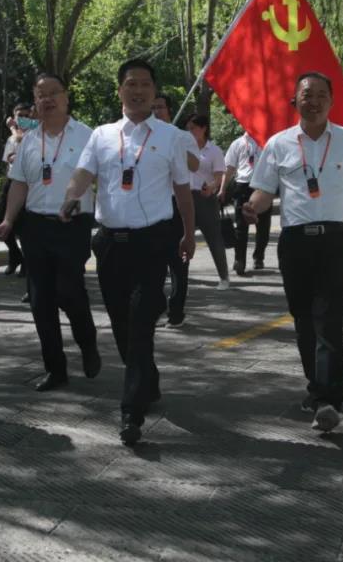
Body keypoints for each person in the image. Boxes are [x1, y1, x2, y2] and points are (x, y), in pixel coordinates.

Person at [62, 59, 196, 446]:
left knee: (140, 327)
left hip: (153, 243)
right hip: (109, 244)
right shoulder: (101, 135)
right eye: (131, 84)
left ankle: (130, 412)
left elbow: (183, 189)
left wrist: (188, 234)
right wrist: (72, 199)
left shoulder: (171, 137)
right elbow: (83, 175)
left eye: (145, 85)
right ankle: (147, 382)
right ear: (119, 90)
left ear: (154, 92)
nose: (138, 91)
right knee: (122, 327)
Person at [243, 71, 343, 433]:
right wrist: (253, 207)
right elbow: (264, 191)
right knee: (304, 323)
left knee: (329, 323)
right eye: (306, 95)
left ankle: (329, 400)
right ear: (294, 101)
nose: (313, 101)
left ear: (331, 102)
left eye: (320, 95)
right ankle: (317, 388)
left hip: (335, 240)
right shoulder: (278, 144)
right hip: (295, 242)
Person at [0, 73, 100, 392]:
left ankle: (88, 343)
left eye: (54, 93)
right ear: (35, 100)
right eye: (41, 94)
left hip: (74, 223)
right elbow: (19, 183)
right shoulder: (27, 140)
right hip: (35, 225)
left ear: (67, 97)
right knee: (41, 301)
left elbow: (102, 180)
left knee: (68, 291)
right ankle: (55, 369)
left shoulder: (87, 136)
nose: (48, 99)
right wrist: (9, 220)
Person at [151, 92, 200, 328]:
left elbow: (195, 165)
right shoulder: (144, 137)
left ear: (169, 110)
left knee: (178, 262)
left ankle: (177, 310)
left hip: (177, 202)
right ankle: (155, 306)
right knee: (154, 260)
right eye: (153, 108)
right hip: (152, 205)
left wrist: (174, 145)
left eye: (160, 107)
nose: (156, 112)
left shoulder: (182, 137)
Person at [183, 113, 231, 290]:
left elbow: (219, 176)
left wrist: (211, 187)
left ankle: (224, 277)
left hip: (204, 198)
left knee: (214, 238)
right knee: (183, 238)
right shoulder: (182, 148)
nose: (190, 132)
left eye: (193, 128)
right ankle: (182, 275)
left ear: (203, 129)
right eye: (187, 129)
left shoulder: (214, 151)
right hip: (184, 197)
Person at [220, 130, 271, 276]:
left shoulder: (267, 142)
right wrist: (222, 189)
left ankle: (258, 256)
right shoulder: (237, 144)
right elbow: (229, 168)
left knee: (263, 227)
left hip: (262, 186)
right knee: (241, 227)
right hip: (243, 185)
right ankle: (239, 260)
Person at [0, 101, 35, 276]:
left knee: (24, 226)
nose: (23, 119)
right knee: (3, 222)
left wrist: (13, 130)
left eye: (27, 115)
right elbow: (9, 159)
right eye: (19, 116)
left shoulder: (36, 133)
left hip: (28, 184)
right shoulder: (11, 138)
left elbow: (19, 151)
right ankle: (15, 255)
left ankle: (28, 263)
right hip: (12, 181)